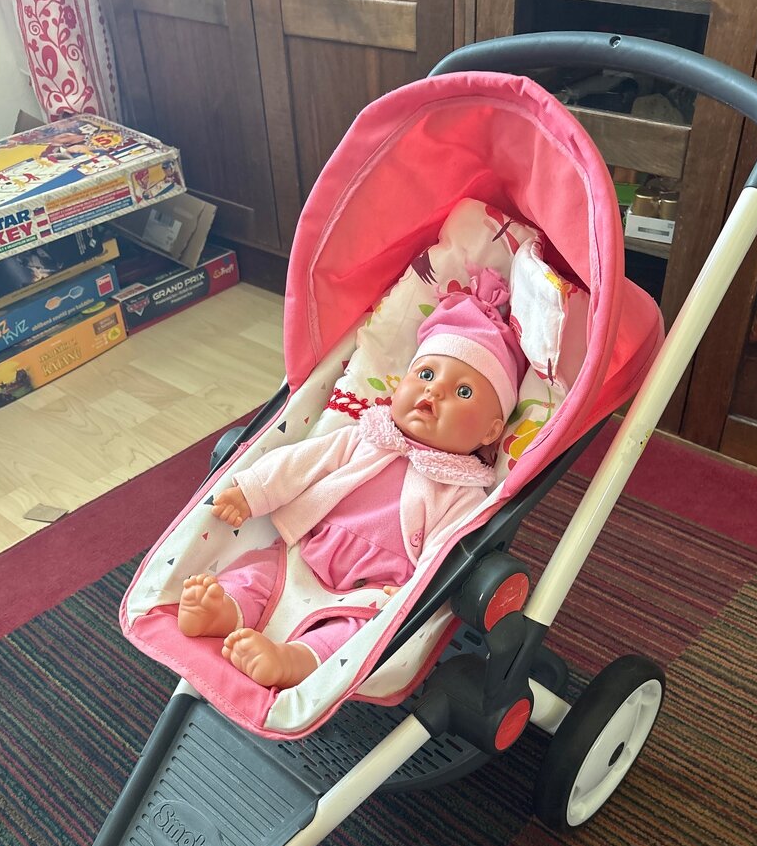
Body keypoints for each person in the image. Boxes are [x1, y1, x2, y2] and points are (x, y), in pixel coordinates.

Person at [177, 268, 526, 689]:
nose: (434, 392)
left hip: (375, 589)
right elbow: (302, 462)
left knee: (359, 633)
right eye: (425, 374)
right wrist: (252, 491)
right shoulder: (364, 438)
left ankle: (295, 660)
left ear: (491, 432)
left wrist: (415, 594)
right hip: (310, 551)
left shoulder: (462, 492)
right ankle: (226, 610)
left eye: (463, 392)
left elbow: (444, 552)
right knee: (259, 571)